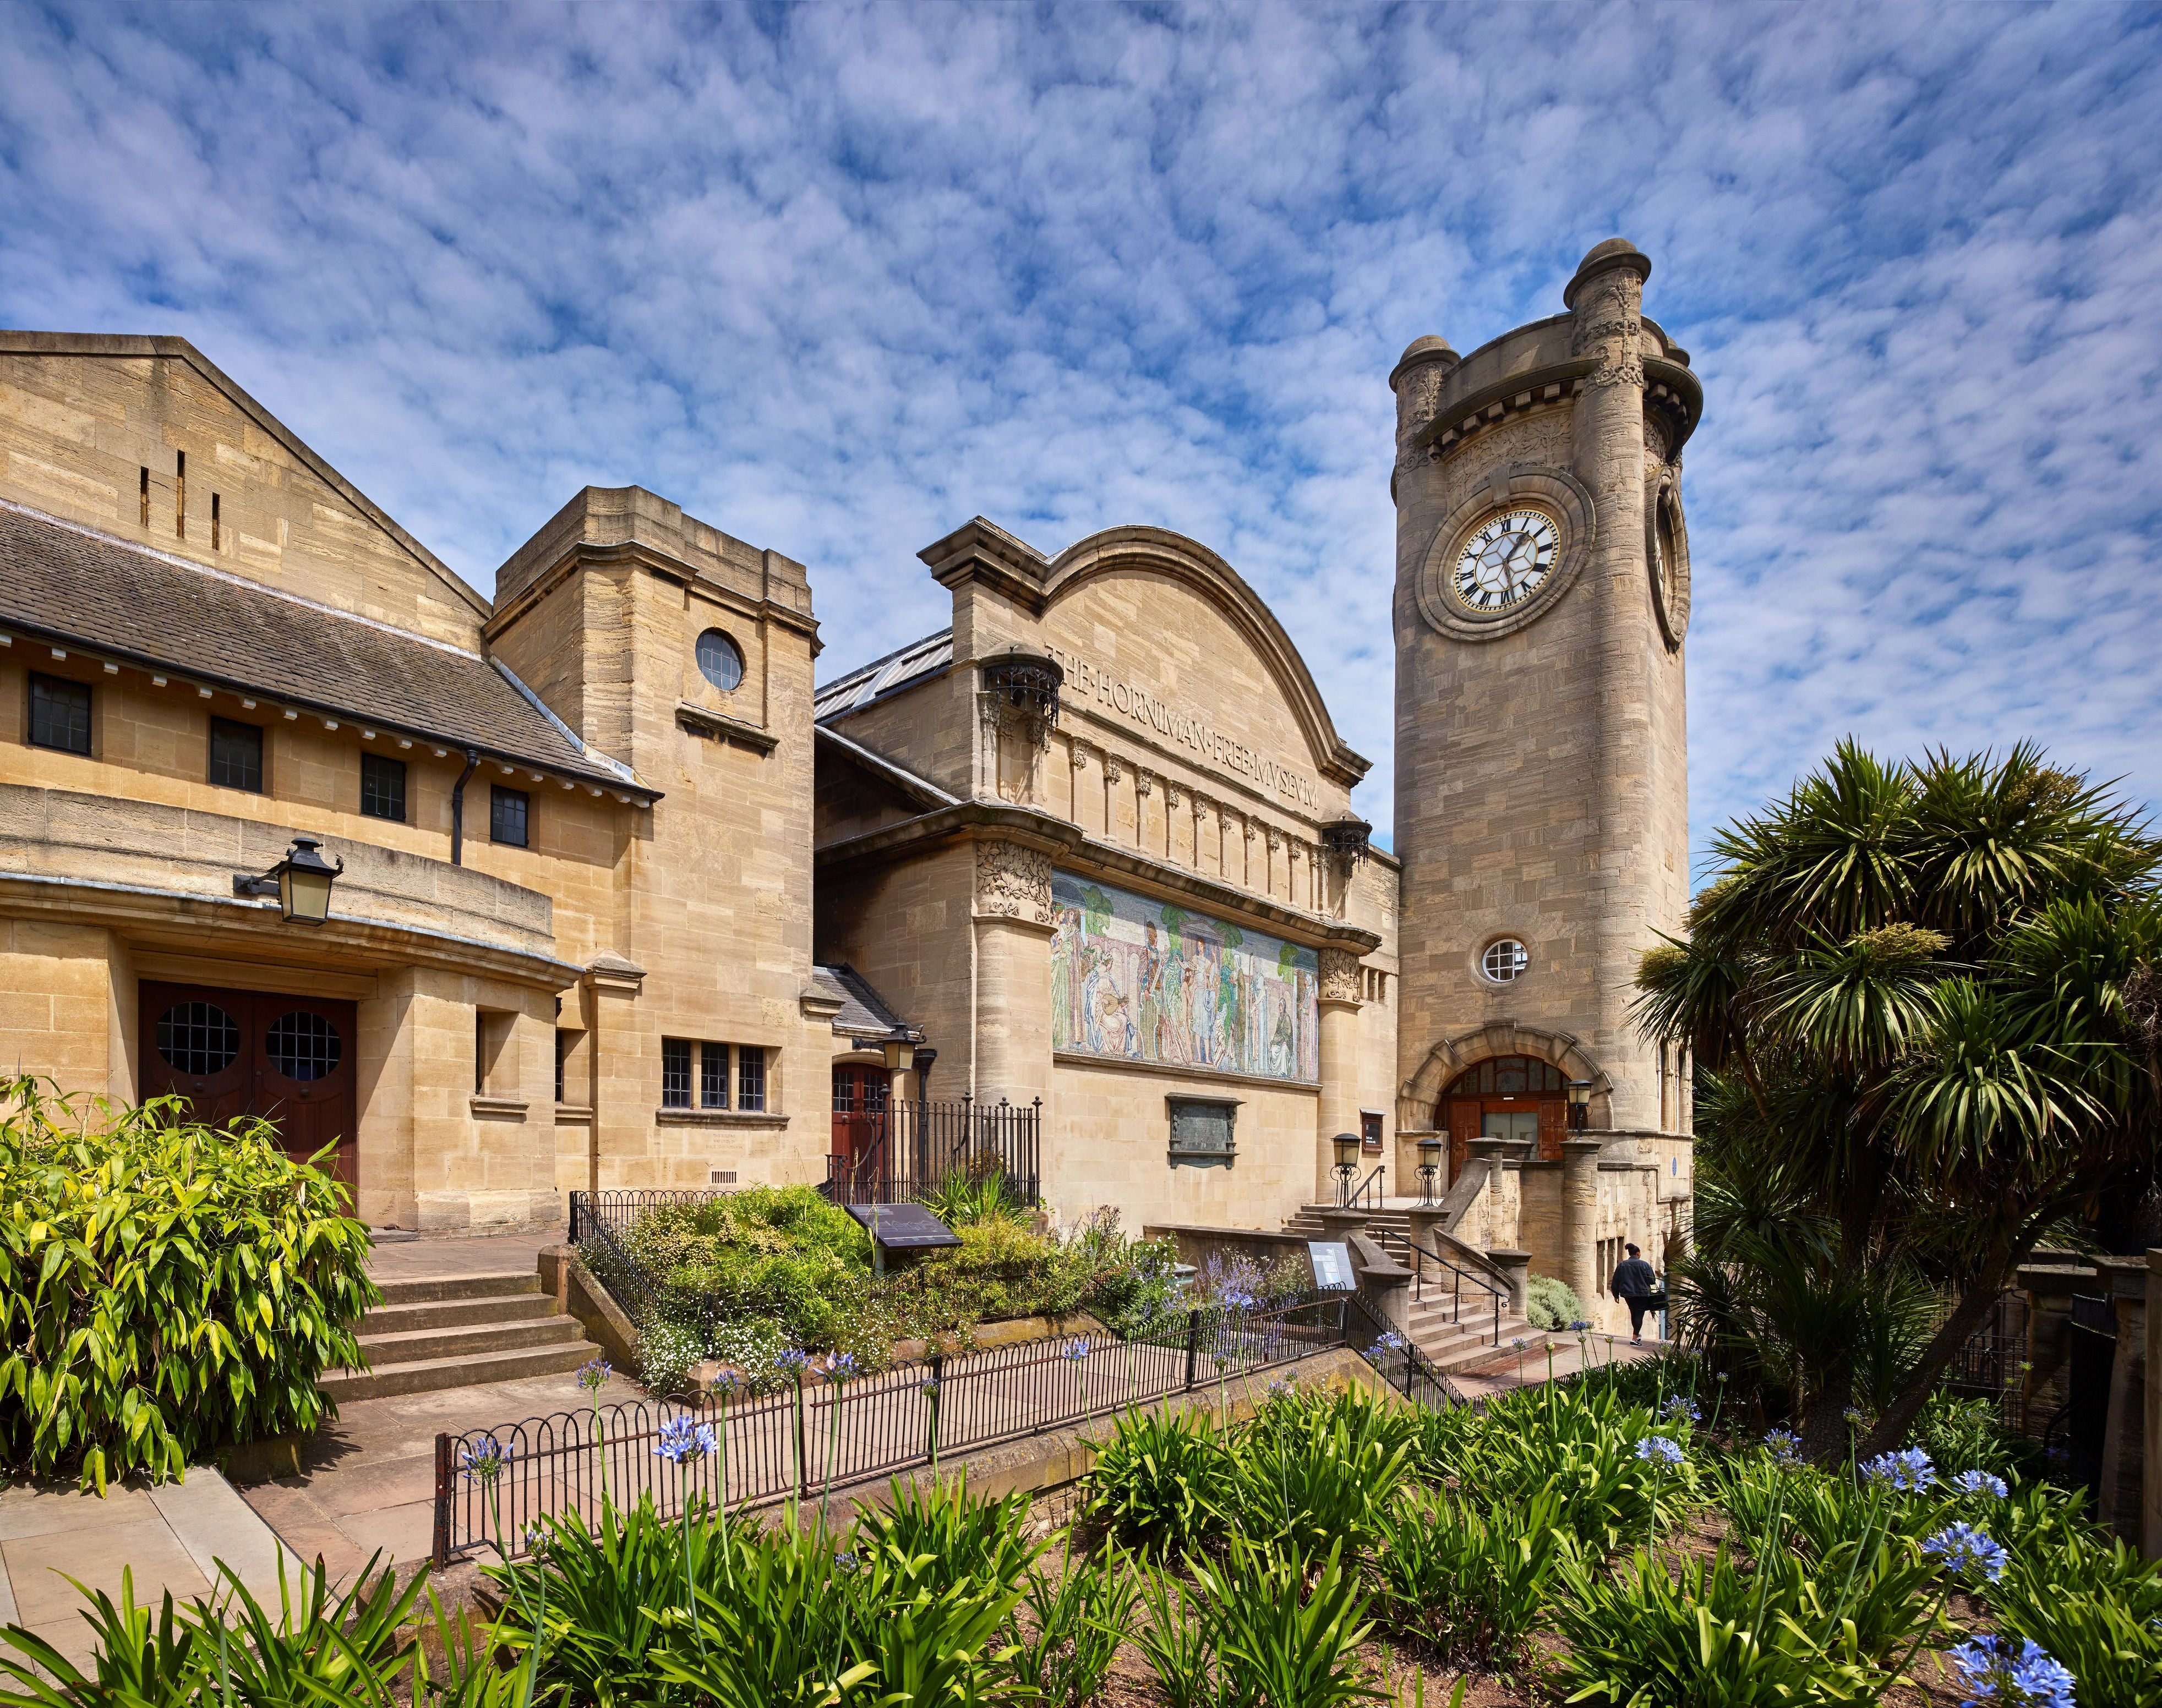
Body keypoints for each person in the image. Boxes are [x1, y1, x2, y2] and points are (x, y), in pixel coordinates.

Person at [1610, 1242, 1660, 1344]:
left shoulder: (1622, 1265)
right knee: (1639, 1315)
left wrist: (1616, 1295)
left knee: (1634, 1313)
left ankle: (1636, 1335)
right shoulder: (1645, 1265)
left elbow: (1615, 1280)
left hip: (1628, 1294)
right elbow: (1652, 1280)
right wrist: (1655, 1293)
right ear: (1638, 1254)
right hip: (1642, 1294)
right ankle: (1634, 1339)